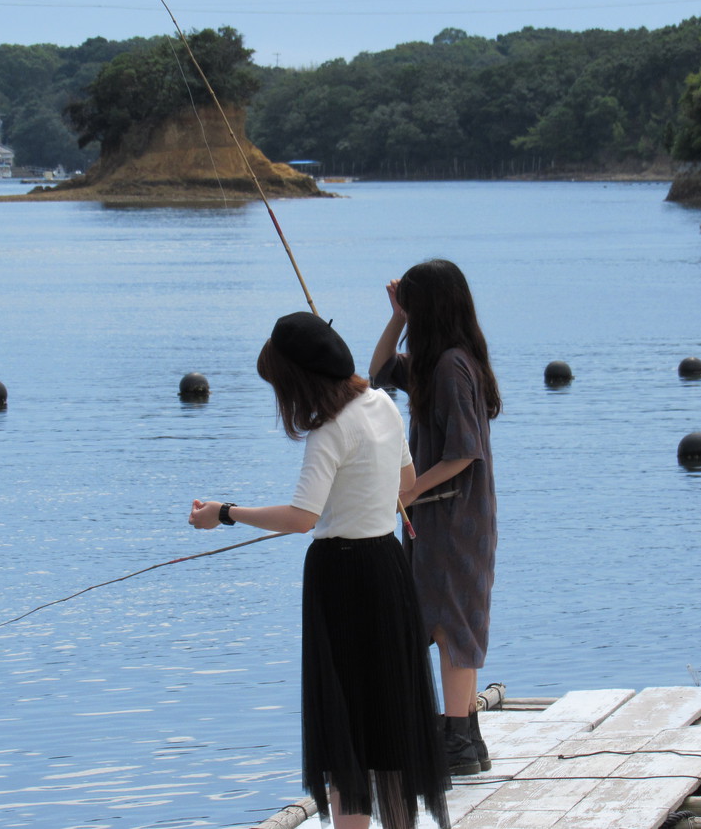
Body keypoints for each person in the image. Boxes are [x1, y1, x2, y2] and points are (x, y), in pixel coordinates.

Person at [190, 311, 449, 829]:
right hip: (388, 567)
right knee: (389, 713)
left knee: (343, 724)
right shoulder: (381, 405)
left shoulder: (329, 430)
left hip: (342, 579)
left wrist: (225, 513)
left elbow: (301, 519)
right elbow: (406, 483)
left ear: (299, 382)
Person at [369, 259, 501, 777]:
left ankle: (458, 745)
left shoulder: (450, 366)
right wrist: (397, 317)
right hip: (439, 516)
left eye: (413, 306)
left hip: (453, 516)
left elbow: (464, 453)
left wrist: (408, 489)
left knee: (451, 627)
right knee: (445, 620)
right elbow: (378, 372)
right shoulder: (437, 362)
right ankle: (465, 737)